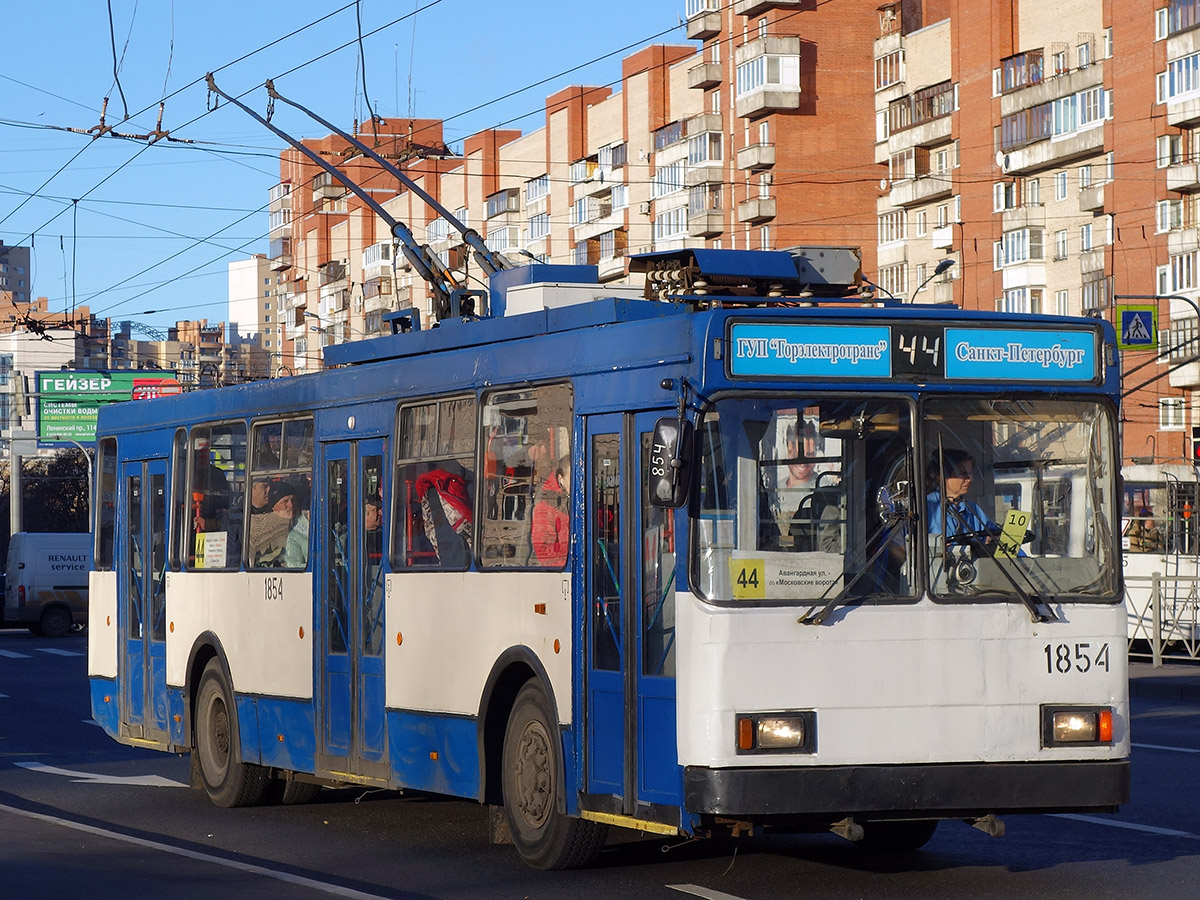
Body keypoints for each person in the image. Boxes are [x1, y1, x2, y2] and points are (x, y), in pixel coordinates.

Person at [925, 449, 999, 545]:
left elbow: (997, 536)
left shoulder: (973, 509)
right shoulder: (925, 508)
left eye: (970, 473)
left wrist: (993, 539)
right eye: (963, 474)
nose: (969, 479)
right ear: (942, 475)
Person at [532, 456, 570, 567]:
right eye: (573, 478)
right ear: (560, 479)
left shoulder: (579, 501)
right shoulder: (546, 508)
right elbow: (544, 554)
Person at [249, 481, 296, 565]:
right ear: (274, 506)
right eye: (285, 501)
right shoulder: (256, 526)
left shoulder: (302, 523)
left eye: (292, 500)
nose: (291, 505)